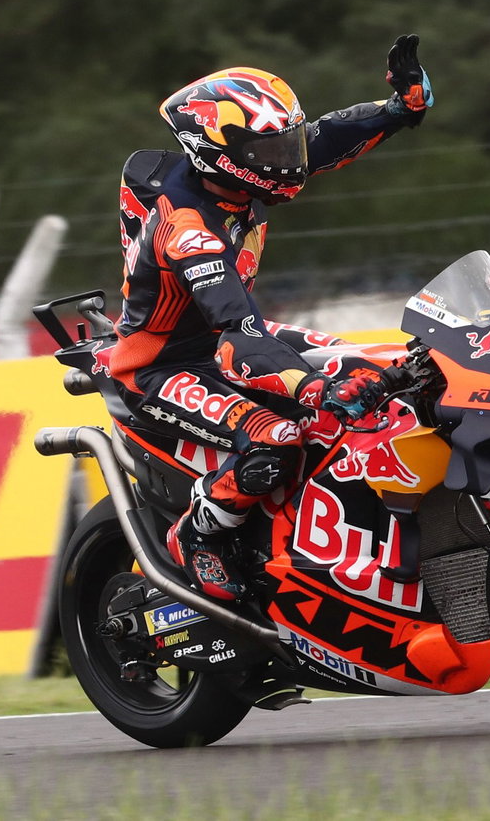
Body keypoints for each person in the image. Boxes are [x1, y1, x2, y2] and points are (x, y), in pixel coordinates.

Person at [107, 35, 432, 600]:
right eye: (273, 150)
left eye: (285, 145)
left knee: (375, 363)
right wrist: (314, 389)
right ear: (218, 153)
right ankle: (200, 536)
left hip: (224, 338)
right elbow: (239, 336)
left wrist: (399, 110)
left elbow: (325, 136)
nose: (291, 160)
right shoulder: (188, 227)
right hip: (163, 364)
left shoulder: (236, 175)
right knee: (278, 437)